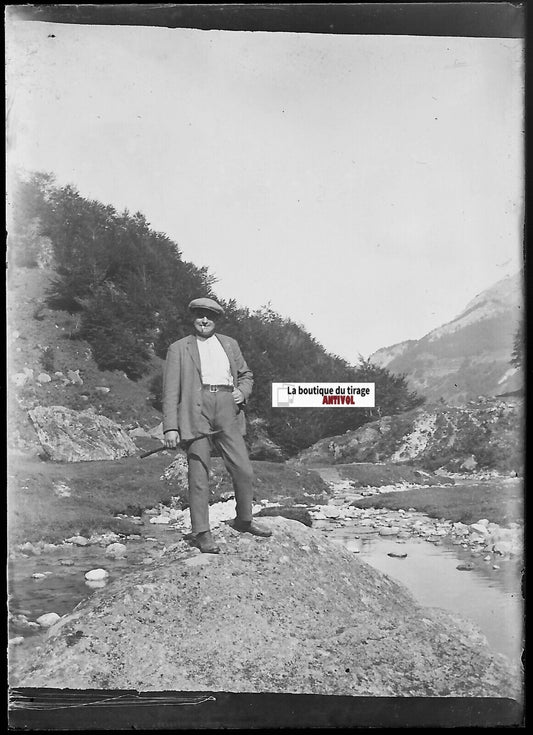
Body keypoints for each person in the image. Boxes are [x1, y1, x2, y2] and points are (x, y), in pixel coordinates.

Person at [162, 297, 272, 553]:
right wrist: (170, 427)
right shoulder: (178, 348)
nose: (204, 320)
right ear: (193, 318)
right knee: (199, 473)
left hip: (227, 406)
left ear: (216, 320)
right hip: (195, 409)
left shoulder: (229, 344)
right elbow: (169, 391)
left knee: (243, 469)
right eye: (200, 315)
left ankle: (244, 520)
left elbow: (246, 374)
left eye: (209, 316)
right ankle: (202, 532)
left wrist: (242, 392)